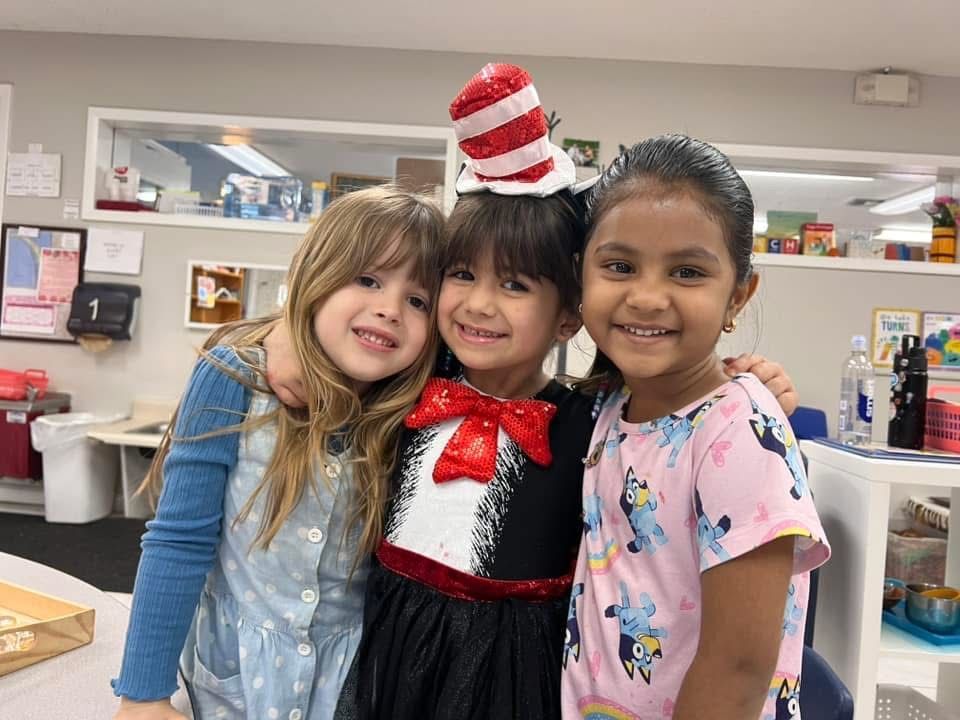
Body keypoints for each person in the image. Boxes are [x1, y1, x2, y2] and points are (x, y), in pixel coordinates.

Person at [264, 65, 799, 720]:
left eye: (516, 285)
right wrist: (285, 333)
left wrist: (754, 382)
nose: (481, 304)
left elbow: (684, 407)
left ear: (568, 312)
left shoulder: (596, 418)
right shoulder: (411, 381)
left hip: (518, 666)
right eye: (461, 275)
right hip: (393, 637)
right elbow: (348, 335)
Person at [111, 186, 444, 720]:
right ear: (316, 278)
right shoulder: (232, 378)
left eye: (418, 300)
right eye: (368, 279)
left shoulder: (418, 412)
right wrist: (142, 695)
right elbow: (179, 541)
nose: (389, 309)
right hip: (231, 683)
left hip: (351, 689)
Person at [561, 134, 830, 720]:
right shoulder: (612, 406)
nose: (647, 296)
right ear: (580, 277)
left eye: (686, 272)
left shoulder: (739, 434)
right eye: (620, 266)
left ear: (738, 296)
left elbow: (738, 670)